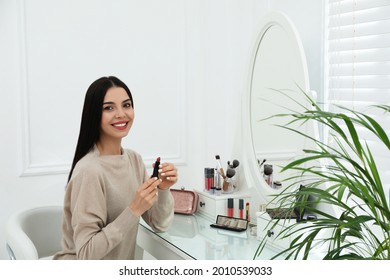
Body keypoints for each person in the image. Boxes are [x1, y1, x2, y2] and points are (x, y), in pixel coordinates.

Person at [53, 76, 177, 260]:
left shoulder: (134, 160)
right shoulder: (89, 171)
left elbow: (160, 224)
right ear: (94, 114)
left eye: (126, 105)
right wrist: (134, 210)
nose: (121, 114)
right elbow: (86, 255)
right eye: (109, 108)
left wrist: (163, 189)